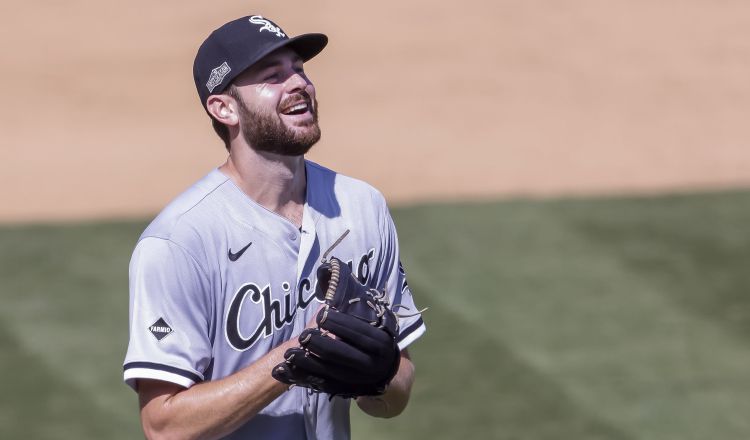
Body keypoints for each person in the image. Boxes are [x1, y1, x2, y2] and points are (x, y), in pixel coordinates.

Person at [122, 14, 426, 439]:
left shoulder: (362, 207)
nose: (298, 84)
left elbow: (399, 389)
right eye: (272, 76)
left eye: (299, 69)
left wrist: (381, 378)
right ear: (224, 108)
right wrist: (292, 359)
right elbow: (164, 427)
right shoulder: (178, 242)